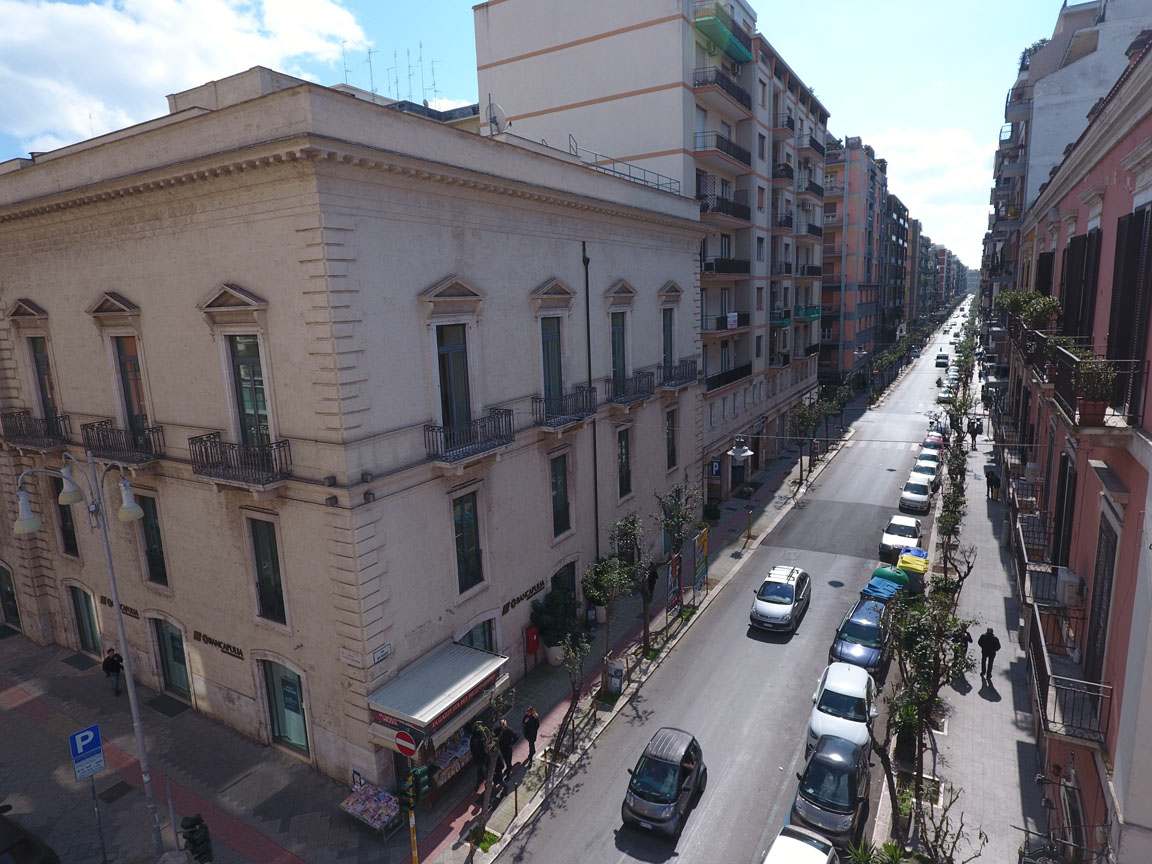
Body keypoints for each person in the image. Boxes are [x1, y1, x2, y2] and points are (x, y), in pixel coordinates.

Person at [470, 723, 489, 792]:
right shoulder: (481, 740)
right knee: (482, 769)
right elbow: (484, 748)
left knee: (479, 769)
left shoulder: (472, 739)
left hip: (476, 757)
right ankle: (480, 782)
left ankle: (481, 779)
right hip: (481, 757)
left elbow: (471, 748)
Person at [497, 718, 517, 783]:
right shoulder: (508, 730)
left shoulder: (506, 730)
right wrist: (511, 743)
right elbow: (516, 736)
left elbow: (516, 736)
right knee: (507, 760)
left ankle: (508, 774)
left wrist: (511, 743)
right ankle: (509, 768)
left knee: (507, 761)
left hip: (506, 747)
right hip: (505, 747)